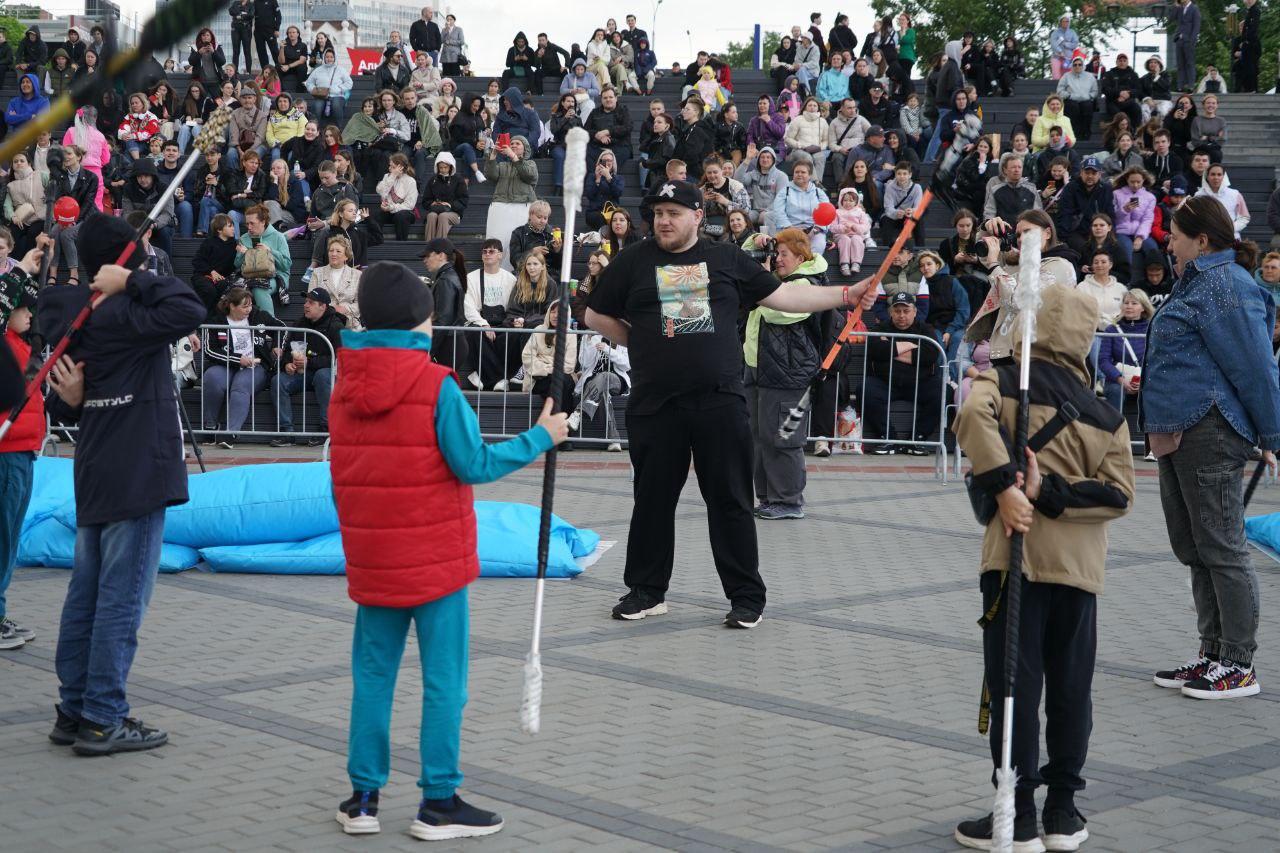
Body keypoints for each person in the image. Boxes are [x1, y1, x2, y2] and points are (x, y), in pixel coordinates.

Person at [328, 256, 567, 840]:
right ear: (419, 324)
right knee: (444, 682)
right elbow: (474, 464)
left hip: (374, 557)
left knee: (373, 676)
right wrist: (543, 436)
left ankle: (363, 798)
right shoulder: (436, 384)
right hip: (435, 560)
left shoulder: (344, 384)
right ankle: (437, 800)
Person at [584, 179, 877, 627]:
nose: (664, 220)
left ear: (698, 216)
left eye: (674, 212)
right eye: (659, 212)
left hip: (718, 402)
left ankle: (745, 597)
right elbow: (593, 312)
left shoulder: (725, 258)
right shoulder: (632, 260)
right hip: (655, 404)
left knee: (730, 500)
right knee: (652, 501)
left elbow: (784, 295)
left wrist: (846, 293)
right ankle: (646, 591)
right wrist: (638, 342)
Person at [952, 283, 1135, 853]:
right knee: (1071, 689)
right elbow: (1119, 495)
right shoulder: (1107, 414)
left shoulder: (1001, 382)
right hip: (1079, 570)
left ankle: (1018, 813)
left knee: (1014, 687)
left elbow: (970, 422)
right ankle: (1062, 812)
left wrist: (1011, 486)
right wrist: (1049, 491)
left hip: (1015, 560)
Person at [36, 212, 205, 754]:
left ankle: (75, 706)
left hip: (97, 466)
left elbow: (70, 396)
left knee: (86, 593)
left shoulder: (80, 319)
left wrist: (80, 400)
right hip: (135, 470)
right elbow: (188, 306)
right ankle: (104, 716)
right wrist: (132, 280)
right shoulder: (129, 313)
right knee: (121, 598)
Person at [1144, 196, 1280, 699]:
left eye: (1176, 235)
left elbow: (1256, 367)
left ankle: (1239, 664)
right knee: (1195, 547)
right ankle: (1212, 654)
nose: (1168, 243)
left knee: (1221, 548)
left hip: (1209, 431)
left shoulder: (1227, 286)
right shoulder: (1197, 283)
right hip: (1179, 430)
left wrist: (1272, 435)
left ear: (1202, 240)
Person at [743, 227, 825, 519]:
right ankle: (768, 497)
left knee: (783, 437)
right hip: (759, 369)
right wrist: (757, 241)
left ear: (801, 256)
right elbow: (743, 261)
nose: (777, 259)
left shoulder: (805, 283)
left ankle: (788, 500)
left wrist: (764, 280)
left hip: (787, 373)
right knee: (759, 437)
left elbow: (777, 310)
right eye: (775, 253)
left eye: (783, 254)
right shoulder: (778, 281)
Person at [0, 245, 49, 650]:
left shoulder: (18, 343)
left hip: (23, 449)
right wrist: (18, 271)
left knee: (10, 535)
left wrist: (30, 269)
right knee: (1, 536)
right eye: (23, 307)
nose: (29, 314)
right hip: (6, 453)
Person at [860, 292, 945, 453]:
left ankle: (917, 438)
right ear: (891, 312)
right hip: (886, 383)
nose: (901, 315)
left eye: (906, 311)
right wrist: (910, 345)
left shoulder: (925, 329)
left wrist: (891, 348)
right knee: (865, 389)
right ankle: (887, 438)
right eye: (897, 311)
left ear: (914, 312)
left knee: (942, 391)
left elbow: (929, 355)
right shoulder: (880, 328)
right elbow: (875, 349)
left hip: (920, 383)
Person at [269, 288, 343, 445]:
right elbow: (287, 350)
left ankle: (326, 430)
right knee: (278, 380)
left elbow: (340, 357)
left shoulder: (336, 325)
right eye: (305, 302)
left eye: (311, 302)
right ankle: (286, 432)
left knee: (323, 375)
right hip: (302, 373)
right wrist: (286, 363)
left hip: (328, 375)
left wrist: (310, 362)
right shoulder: (300, 322)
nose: (305, 305)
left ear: (322, 306)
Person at [483, 135, 537, 264]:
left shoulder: (531, 164)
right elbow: (491, 175)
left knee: (516, 243)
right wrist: (493, 155)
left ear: (525, 149)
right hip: (500, 207)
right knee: (498, 242)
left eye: (517, 144)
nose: (513, 145)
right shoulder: (502, 165)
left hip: (522, 208)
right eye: (511, 143)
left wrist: (514, 157)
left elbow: (529, 175)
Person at [1098, 289, 1153, 412]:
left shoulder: (1152, 329)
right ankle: (1115, 429)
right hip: (1117, 379)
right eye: (1126, 303)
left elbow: (1157, 359)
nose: (1129, 306)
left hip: (1146, 377)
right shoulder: (1111, 330)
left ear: (1143, 307)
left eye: (1134, 303)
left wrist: (1144, 380)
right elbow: (1103, 360)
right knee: (1115, 390)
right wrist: (1121, 379)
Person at [234, 205, 290, 313]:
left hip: (276, 276)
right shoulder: (244, 238)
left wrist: (270, 251)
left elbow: (286, 265)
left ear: (263, 222)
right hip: (249, 275)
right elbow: (237, 264)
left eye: (252, 223)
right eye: (247, 223)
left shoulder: (278, 236)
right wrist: (243, 254)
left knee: (259, 289)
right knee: (233, 289)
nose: (249, 227)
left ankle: (268, 327)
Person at [1197, 163, 1250, 238]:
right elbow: (1195, 217)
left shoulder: (1235, 194)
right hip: (1207, 239)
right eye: (1212, 174)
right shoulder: (1199, 195)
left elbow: (1244, 217)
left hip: (1230, 239)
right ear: (1207, 177)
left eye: (1219, 174)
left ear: (1224, 176)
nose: (1216, 177)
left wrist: (1231, 228)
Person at [374, 153, 418, 242]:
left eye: (393, 167)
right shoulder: (387, 176)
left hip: (406, 212)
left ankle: (401, 245)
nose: (390, 169)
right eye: (390, 166)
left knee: (401, 216)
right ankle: (376, 242)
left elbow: (409, 205)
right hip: (389, 211)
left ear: (401, 167)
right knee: (377, 216)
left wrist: (392, 207)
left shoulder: (410, 181)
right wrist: (392, 177)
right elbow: (380, 192)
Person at [306, 48, 352, 129]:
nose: (329, 59)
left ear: (335, 58)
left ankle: (337, 129)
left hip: (338, 96)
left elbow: (349, 83)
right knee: (317, 106)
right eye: (327, 57)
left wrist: (339, 89)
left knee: (336, 105)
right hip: (321, 96)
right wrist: (314, 90)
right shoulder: (318, 70)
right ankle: (316, 129)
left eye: (331, 57)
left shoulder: (341, 70)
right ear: (324, 58)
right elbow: (309, 83)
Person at [1057, 56, 1099, 143]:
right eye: (1075, 65)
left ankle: (1085, 133)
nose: (1077, 66)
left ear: (1083, 65)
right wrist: (1068, 95)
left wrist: (1089, 96)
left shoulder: (1090, 77)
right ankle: (1074, 133)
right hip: (1071, 100)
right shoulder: (1066, 76)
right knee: (1073, 107)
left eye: (1080, 64)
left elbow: (1095, 91)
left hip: (1086, 100)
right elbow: (1060, 90)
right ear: (1072, 66)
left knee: (1087, 106)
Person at [1174, 0, 1202, 90]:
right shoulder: (1180, 9)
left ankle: (1190, 85)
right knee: (1180, 64)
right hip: (1179, 39)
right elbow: (1171, 18)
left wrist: (1192, 40)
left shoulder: (1194, 8)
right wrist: (1176, 7)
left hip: (1189, 40)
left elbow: (1196, 26)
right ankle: (1180, 86)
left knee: (1189, 63)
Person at [1235, 0, 1262, 93]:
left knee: (1251, 67)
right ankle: (1249, 89)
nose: (1248, 1)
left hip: (1251, 43)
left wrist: (1246, 40)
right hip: (1247, 43)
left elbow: (1253, 28)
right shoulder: (1250, 11)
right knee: (1247, 67)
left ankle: (1252, 89)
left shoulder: (1255, 11)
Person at [1049, 14, 1079, 80]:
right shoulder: (1055, 33)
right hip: (1056, 57)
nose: (1065, 23)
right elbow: (1053, 44)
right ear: (1060, 22)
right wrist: (1060, 51)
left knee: (1067, 77)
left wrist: (1067, 44)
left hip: (1068, 58)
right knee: (1056, 76)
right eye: (1064, 21)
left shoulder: (1072, 32)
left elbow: (1075, 44)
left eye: (1067, 21)